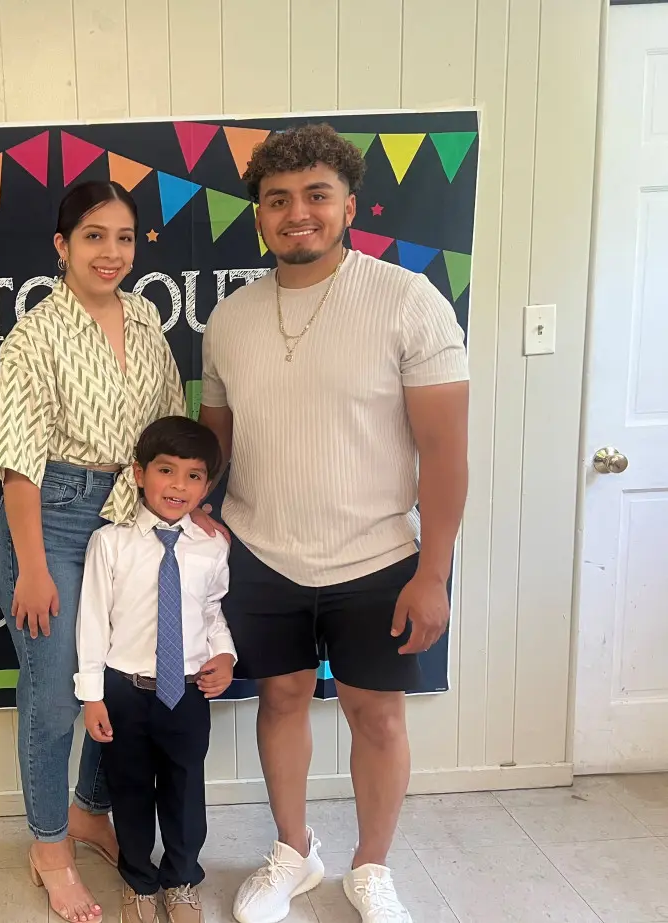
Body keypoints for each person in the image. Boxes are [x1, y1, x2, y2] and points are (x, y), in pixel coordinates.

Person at [198, 124, 469, 923]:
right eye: (278, 200)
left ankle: (371, 865)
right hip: (262, 552)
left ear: (348, 205)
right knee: (280, 699)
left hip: (379, 555)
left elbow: (445, 455)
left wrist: (434, 572)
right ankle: (295, 850)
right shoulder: (231, 320)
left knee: (376, 713)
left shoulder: (408, 300)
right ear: (259, 217)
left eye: (317, 195)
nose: (298, 214)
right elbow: (215, 443)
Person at [0, 180, 218, 922]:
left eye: (123, 237)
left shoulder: (147, 318)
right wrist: (30, 564)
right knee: (56, 690)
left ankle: (91, 808)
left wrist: (189, 504)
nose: (110, 252)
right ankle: (50, 845)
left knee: (120, 680)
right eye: (93, 236)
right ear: (62, 246)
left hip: (130, 519)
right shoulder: (34, 335)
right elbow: (20, 463)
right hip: (50, 520)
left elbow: (166, 432)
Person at [75, 416, 236, 923]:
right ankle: (139, 883)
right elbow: (93, 622)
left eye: (193, 476)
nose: (179, 486)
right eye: (167, 471)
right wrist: (92, 694)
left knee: (186, 790)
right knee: (131, 791)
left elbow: (212, 612)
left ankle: (182, 880)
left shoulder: (212, 546)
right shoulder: (111, 543)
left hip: (187, 692)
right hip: (126, 691)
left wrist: (226, 656)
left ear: (207, 485)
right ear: (140, 474)